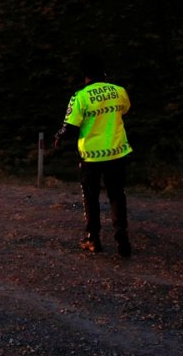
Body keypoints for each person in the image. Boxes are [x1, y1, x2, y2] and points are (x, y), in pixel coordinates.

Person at [53, 55, 133, 257]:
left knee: (91, 197)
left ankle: (93, 239)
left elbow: (70, 127)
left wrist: (59, 136)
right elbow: (124, 110)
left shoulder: (80, 96)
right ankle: (121, 234)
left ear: (85, 74)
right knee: (116, 194)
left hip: (91, 156)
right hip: (116, 152)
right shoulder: (118, 91)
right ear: (103, 71)